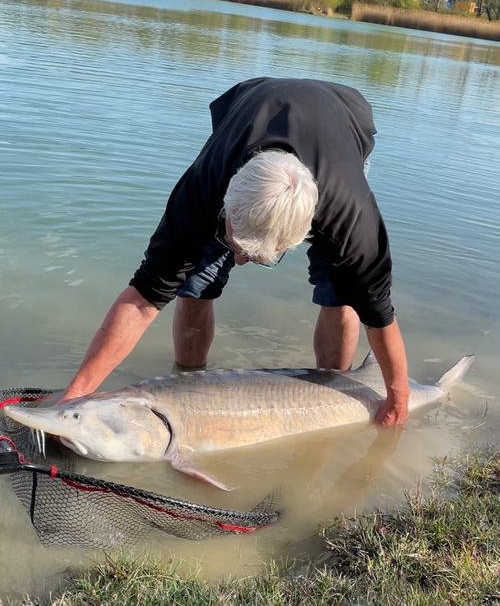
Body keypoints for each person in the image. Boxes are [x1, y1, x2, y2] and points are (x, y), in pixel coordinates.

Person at [60, 77, 410, 425]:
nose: (240, 260)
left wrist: (398, 398)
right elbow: (143, 300)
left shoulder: (351, 219)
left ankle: (330, 401)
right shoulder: (202, 189)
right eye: (237, 248)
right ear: (226, 206)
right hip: (251, 107)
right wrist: (77, 393)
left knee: (342, 295)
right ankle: (187, 387)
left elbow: (377, 315)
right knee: (195, 284)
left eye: (253, 257)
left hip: (344, 124)